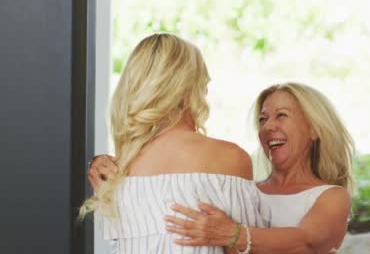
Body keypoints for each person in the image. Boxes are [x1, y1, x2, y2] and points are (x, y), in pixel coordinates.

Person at [89, 82, 355, 253]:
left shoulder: (331, 196)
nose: (268, 127)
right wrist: (112, 174)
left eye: (281, 115)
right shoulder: (241, 188)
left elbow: (306, 241)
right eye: (263, 119)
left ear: (314, 129)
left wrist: (233, 234)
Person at [80, 33, 266, 253]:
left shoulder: (114, 172)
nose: (205, 93)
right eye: (203, 83)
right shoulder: (230, 158)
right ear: (189, 88)